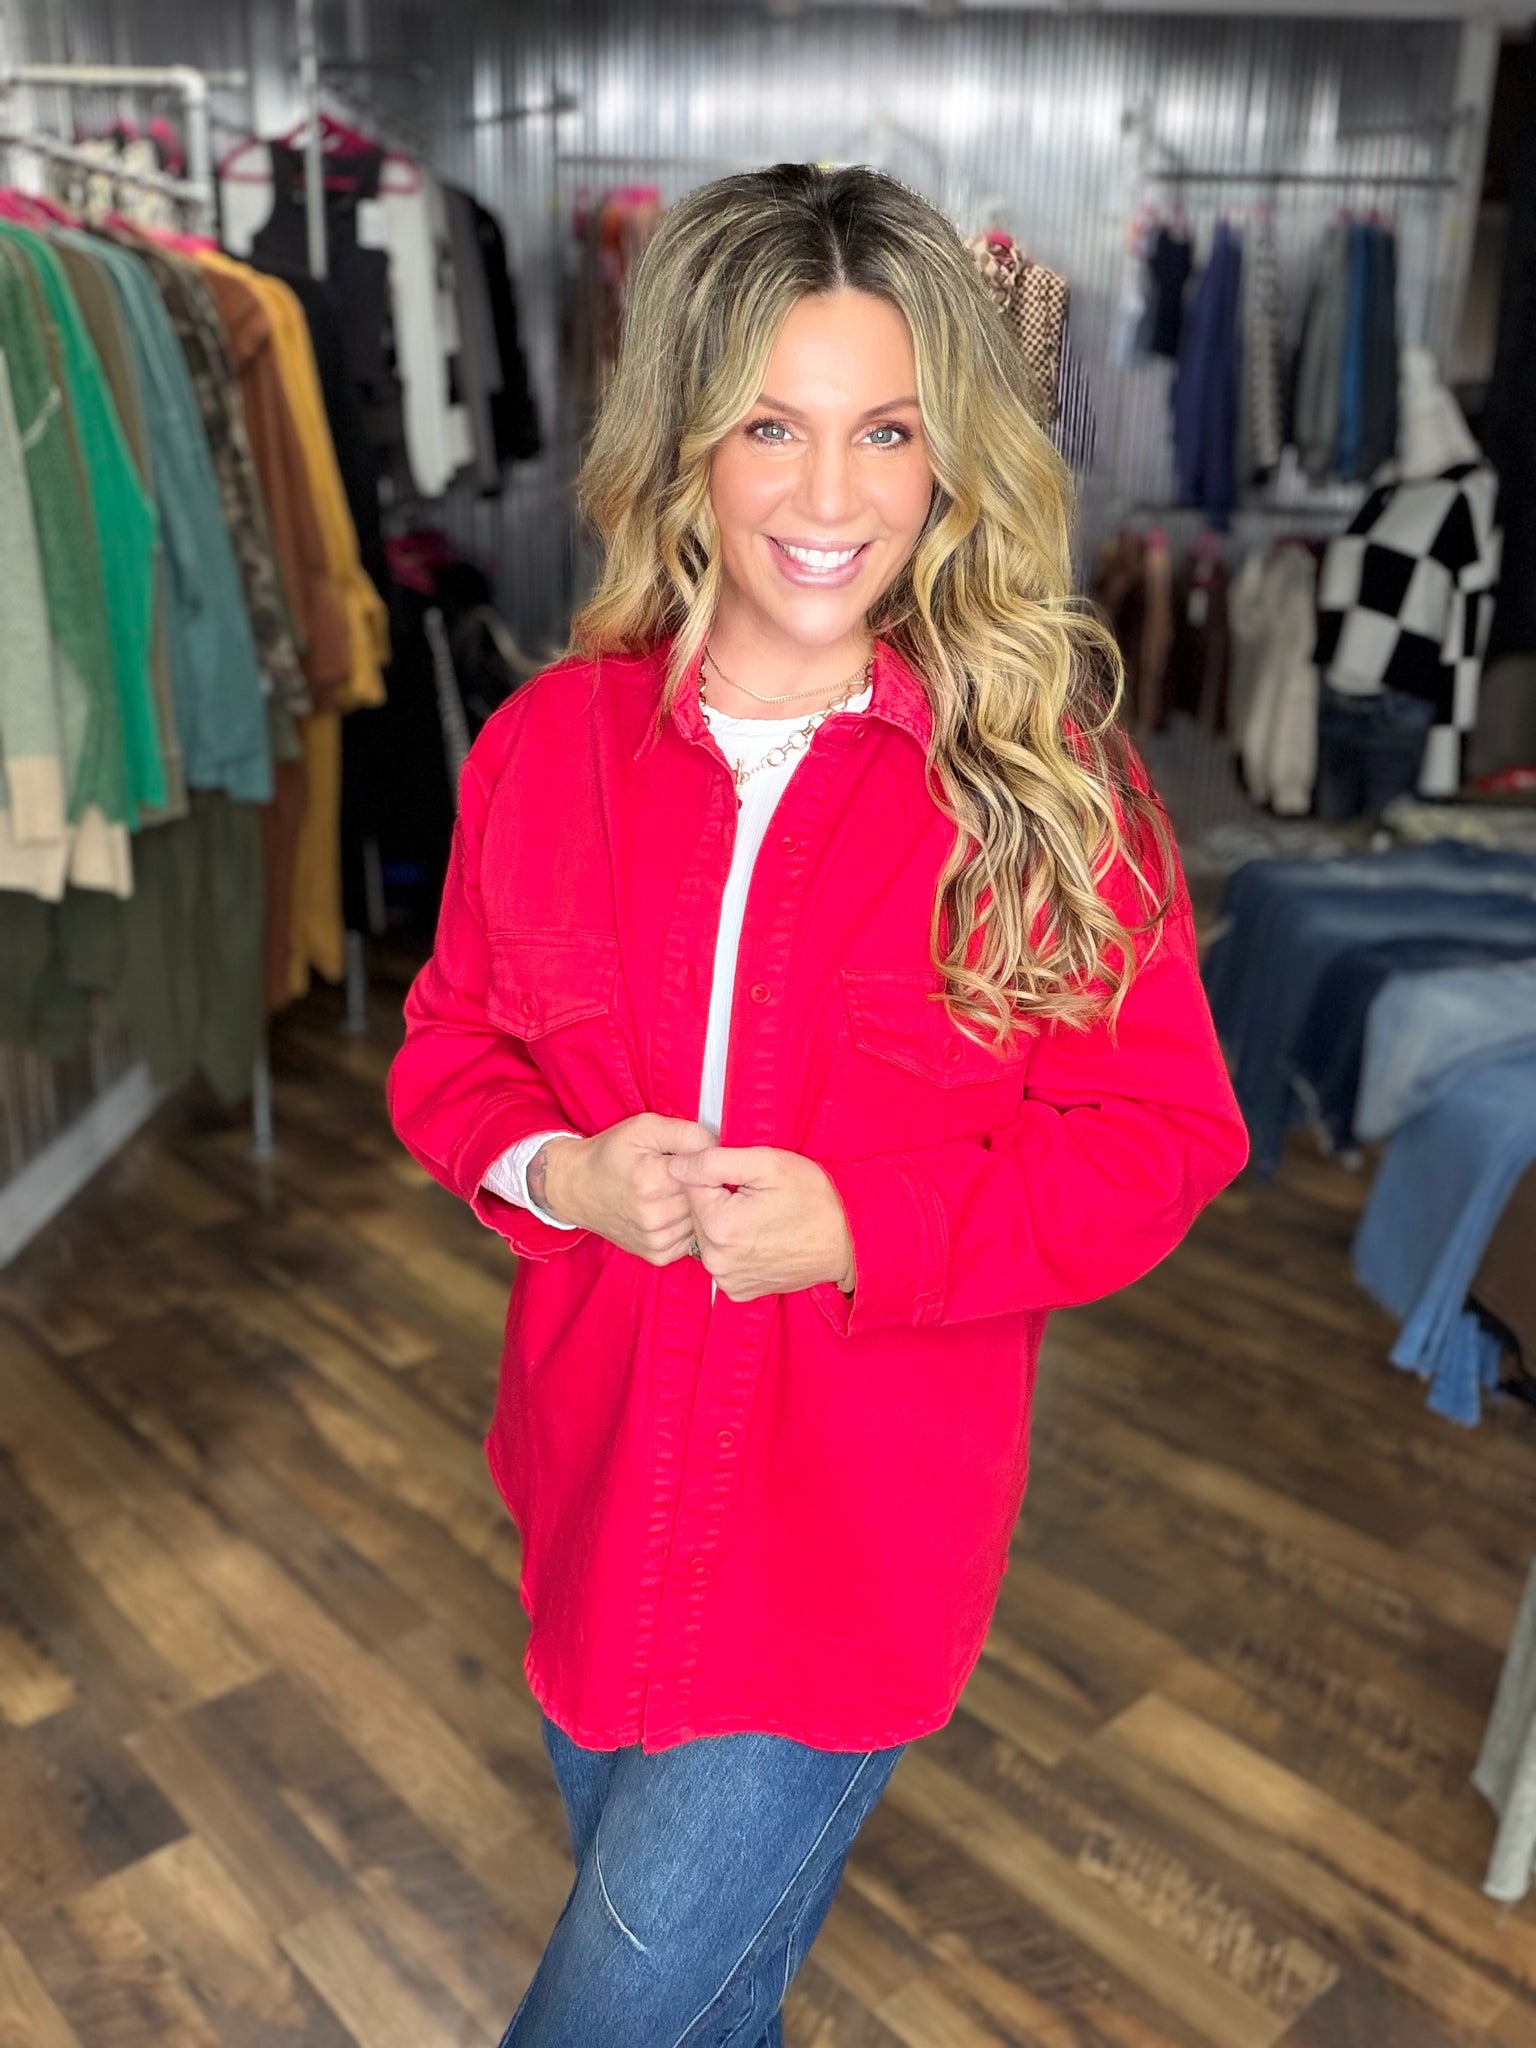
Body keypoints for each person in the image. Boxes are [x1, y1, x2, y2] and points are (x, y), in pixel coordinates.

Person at [387, 161, 1248, 2047]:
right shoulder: (545, 749)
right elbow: (450, 1046)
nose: (832, 496)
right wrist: (558, 1171)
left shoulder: (1051, 794)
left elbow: (1162, 1139)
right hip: (594, 1504)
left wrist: (868, 1226)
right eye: (772, 427)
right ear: (686, 437)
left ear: (951, 460)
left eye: (889, 431)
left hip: (845, 1565)